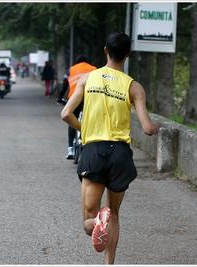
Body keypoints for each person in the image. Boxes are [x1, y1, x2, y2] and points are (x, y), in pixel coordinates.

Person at [61, 32, 160, 264]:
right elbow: (146, 128)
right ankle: (109, 263)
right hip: (120, 155)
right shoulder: (134, 87)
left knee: (89, 220)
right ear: (128, 54)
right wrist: (155, 127)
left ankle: (97, 223)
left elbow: (66, 114)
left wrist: (84, 129)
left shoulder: (87, 78)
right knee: (114, 212)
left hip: (94, 151)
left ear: (106, 50)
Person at [57, 55, 97, 159]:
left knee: (71, 119)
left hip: (75, 98)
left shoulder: (71, 69)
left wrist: (60, 98)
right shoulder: (94, 69)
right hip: (90, 98)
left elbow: (64, 85)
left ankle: (70, 149)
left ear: (77, 62)